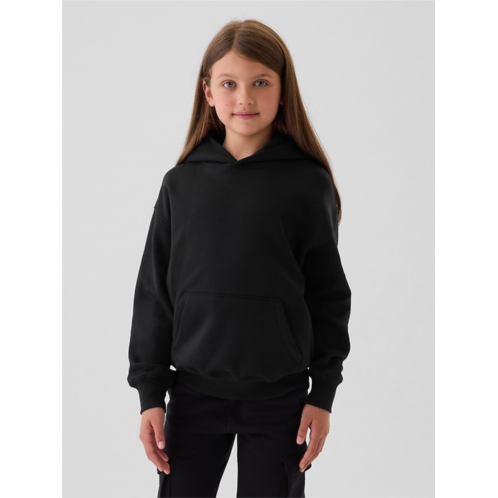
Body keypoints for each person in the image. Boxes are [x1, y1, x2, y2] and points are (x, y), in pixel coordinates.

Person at [127, 19, 352, 498]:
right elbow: (154, 294)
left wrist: (323, 393)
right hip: (191, 399)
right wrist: (149, 394)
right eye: (229, 84)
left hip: (281, 404)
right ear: (208, 92)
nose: (245, 98)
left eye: (261, 83)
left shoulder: (307, 184)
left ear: (283, 91)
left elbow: (328, 296)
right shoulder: (181, 184)